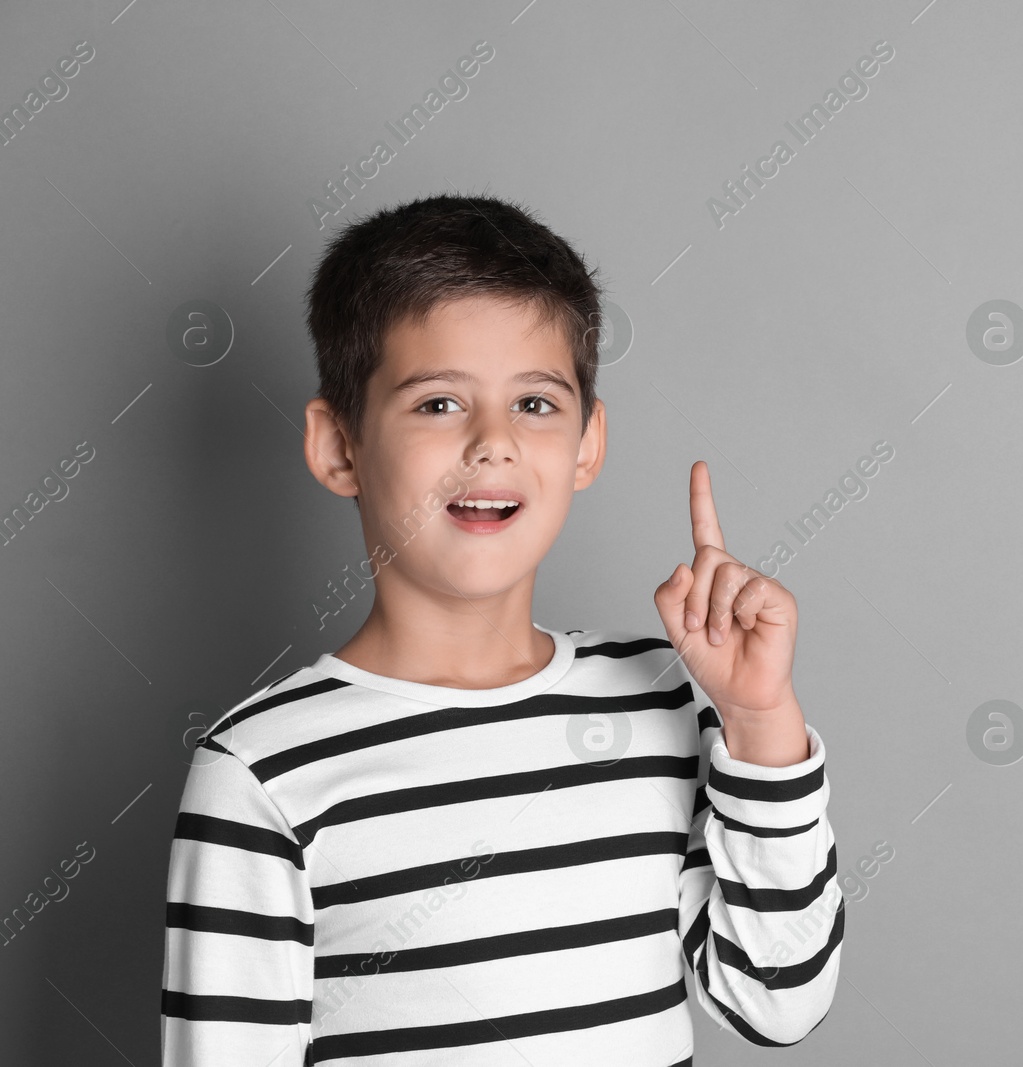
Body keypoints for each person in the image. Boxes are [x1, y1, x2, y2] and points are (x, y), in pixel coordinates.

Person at [159, 193, 843, 1064]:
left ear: (589, 444)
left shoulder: (665, 696)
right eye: (439, 404)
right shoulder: (260, 772)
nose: (493, 443)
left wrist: (758, 724)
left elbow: (777, 1003)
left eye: (536, 404)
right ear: (338, 447)